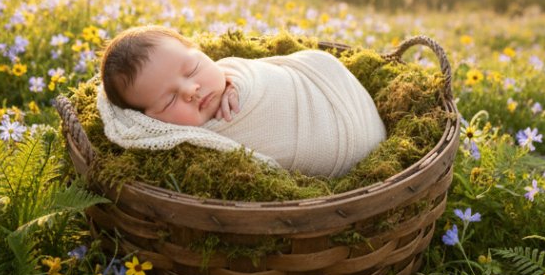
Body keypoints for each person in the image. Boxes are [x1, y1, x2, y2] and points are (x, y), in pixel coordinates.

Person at [97, 26, 386, 178]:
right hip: (329, 151)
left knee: (319, 60)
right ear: (150, 120)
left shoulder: (233, 71)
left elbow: (246, 68)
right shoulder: (181, 141)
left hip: (327, 90)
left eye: (192, 69)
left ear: (201, 52)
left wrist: (238, 82)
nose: (192, 90)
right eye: (170, 99)